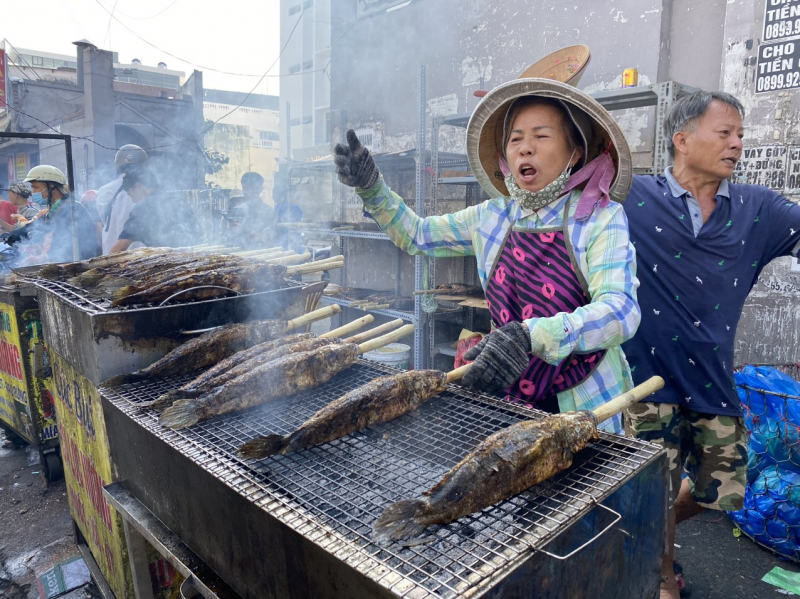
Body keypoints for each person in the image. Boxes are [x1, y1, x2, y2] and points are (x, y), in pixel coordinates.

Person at [334, 78, 641, 434]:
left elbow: (621, 310)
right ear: (505, 157)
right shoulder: (491, 217)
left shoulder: (601, 218)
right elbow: (416, 234)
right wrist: (371, 187)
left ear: (575, 153)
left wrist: (531, 335)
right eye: (515, 139)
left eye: (541, 136)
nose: (526, 148)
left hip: (583, 400)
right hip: (506, 388)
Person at [621, 90, 800, 598]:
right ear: (683, 139)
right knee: (652, 485)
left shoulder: (757, 209)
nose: (737, 144)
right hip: (648, 381)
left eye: (740, 134)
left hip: (714, 379)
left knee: (724, 490)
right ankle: (662, 578)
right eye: (725, 133)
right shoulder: (632, 197)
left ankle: (645, 528)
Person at [18, 165, 99, 263]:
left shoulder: (71, 209)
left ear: (51, 187)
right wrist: (13, 235)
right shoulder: (54, 210)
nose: (33, 192)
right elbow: (34, 226)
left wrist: (42, 258)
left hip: (82, 266)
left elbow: (71, 246)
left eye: (36, 187)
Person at [109, 168, 203, 253]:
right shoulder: (179, 201)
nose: (132, 200)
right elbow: (198, 233)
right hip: (192, 260)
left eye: (130, 194)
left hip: (166, 264)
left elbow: (120, 246)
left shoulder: (142, 209)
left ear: (138, 186)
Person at [96, 144, 148, 254]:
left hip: (109, 255)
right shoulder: (141, 190)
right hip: (136, 258)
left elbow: (103, 221)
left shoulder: (103, 191)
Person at [225, 172, 278, 249]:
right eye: (245, 188)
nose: (247, 192)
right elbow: (229, 239)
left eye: (250, 188)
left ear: (260, 189)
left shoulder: (269, 213)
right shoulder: (237, 209)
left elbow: (268, 241)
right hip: (238, 256)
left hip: (261, 256)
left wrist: (246, 230)